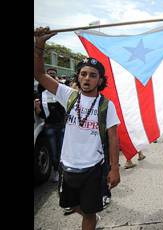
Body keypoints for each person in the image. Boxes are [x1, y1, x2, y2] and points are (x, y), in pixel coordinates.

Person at [34, 27, 121, 230]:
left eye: (92, 75)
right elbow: (38, 74)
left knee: (89, 212)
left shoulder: (106, 105)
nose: (87, 78)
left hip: (93, 168)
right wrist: (39, 46)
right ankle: (91, 217)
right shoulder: (68, 95)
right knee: (70, 204)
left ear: (100, 80)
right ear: (78, 77)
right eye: (83, 74)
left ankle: (91, 219)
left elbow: (114, 137)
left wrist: (115, 168)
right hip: (68, 166)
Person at [34, 68, 66, 183]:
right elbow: (41, 114)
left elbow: (65, 110)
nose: (51, 76)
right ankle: (56, 171)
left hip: (61, 126)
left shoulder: (61, 91)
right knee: (53, 151)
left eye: (53, 75)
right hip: (50, 127)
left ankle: (63, 171)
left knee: (62, 150)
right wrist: (37, 108)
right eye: (49, 74)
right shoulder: (40, 94)